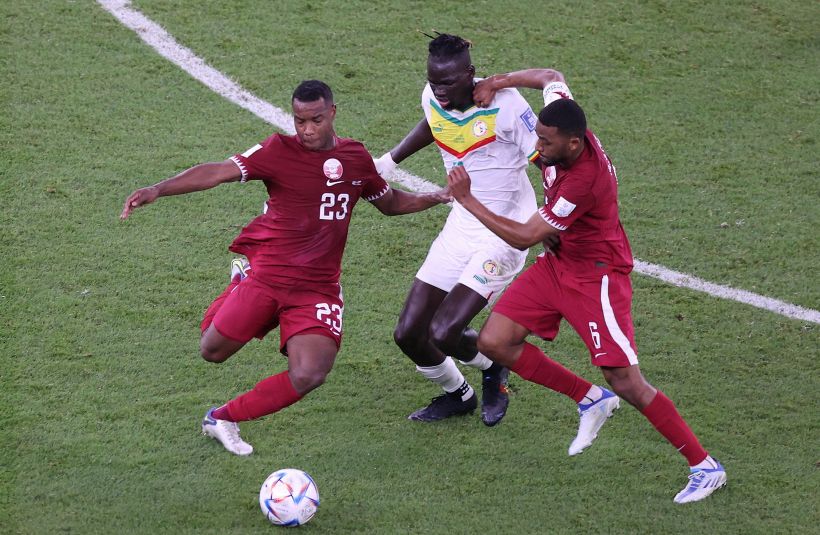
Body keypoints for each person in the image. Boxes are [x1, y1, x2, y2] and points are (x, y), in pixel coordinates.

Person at [120, 80, 451, 456]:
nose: (307, 130)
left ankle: (222, 417)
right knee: (211, 351)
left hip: (317, 288)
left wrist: (434, 197)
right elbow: (217, 172)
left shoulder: (356, 158)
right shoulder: (277, 151)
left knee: (310, 374)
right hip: (269, 277)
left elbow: (389, 203)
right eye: (299, 121)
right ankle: (240, 281)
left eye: (315, 120)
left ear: (332, 114)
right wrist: (158, 189)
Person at [446, 81, 727, 503]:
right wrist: (499, 83)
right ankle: (590, 399)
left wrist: (468, 200)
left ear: (575, 144)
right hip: (559, 265)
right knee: (495, 340)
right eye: (537, 135)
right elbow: (549, 74)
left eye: (546, 141)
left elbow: (523, 237)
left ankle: (704, 467)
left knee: (626, 380)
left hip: (596, 278)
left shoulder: (585, 181)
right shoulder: (564, 118)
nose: (537, 146)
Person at [374, 34, 582, 426]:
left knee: (444, 330)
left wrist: (550, 218)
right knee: (408, 333)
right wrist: (390, 160)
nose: (439, 90)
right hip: (462, 222)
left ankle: (494, 367)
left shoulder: (507, 108)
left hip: (504, 229)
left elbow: (548, 161)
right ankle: (459, 395)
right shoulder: (435, 94)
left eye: (448, 82)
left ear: (470, 74)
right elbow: (433, 120)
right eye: (433, 81)